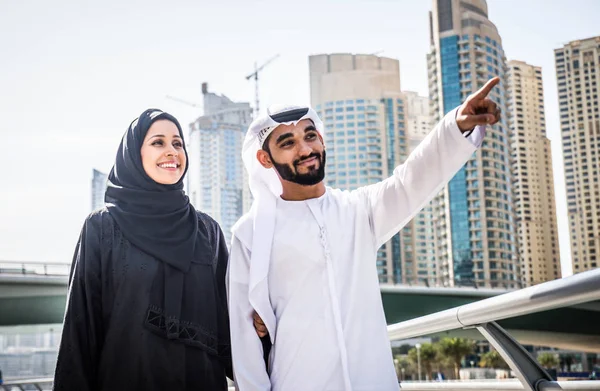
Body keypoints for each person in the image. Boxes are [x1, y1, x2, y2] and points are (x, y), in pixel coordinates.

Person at [227, 78, 502, 390]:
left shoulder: (358, 210)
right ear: (265, 159)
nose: (305, 149)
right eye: (288, 143)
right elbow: (245, 341)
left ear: (322, 140)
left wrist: (455, 127)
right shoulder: (251, 233)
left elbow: (411, 180)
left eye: (310, 135)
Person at [53, 109, 233, 390]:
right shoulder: (102, 228)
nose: (171, 151)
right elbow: (80, 332)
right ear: (134, 155)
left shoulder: (207, 231)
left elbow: (232, 325)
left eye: (178, 143)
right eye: (158, 142)